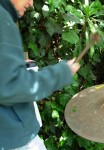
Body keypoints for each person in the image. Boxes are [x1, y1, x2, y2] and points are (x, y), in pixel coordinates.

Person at [0, 0, 80, 149]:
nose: (31, 3)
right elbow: (11, 86)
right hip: (12, 137)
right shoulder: (2, 20)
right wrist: (62, 72)